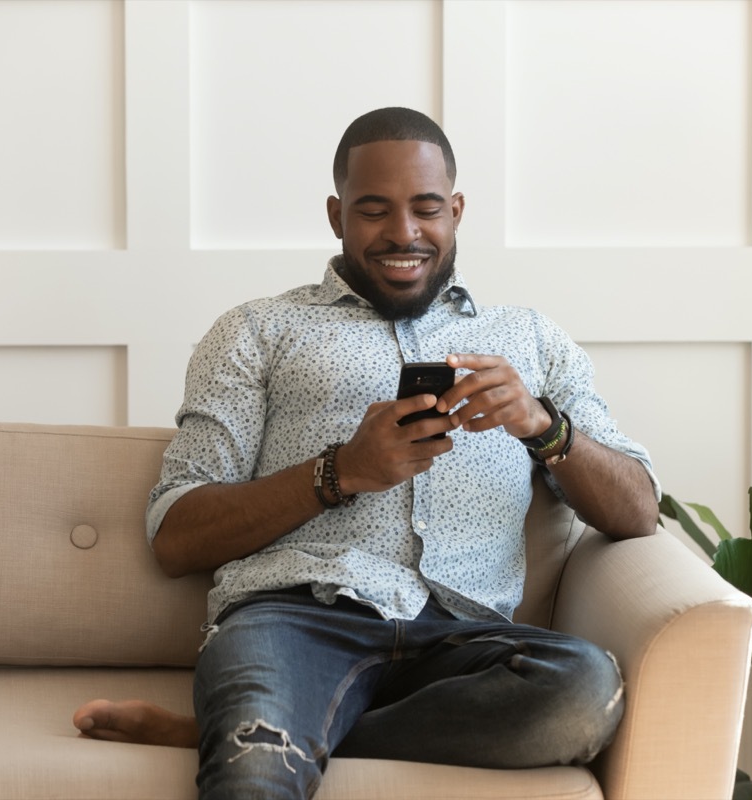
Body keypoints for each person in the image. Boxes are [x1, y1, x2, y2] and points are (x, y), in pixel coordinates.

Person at [73, 107, 661, 799]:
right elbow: (176, 536)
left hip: (462, 640)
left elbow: (638, 511)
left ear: (458, 211)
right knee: (254, 777)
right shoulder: (256, 331)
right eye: (374, 210)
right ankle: (266, 732)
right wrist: (340, 472)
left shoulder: (531, 340)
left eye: (426, 209)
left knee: (585, 689)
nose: (404, 233)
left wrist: (544, 426)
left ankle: (268, 730)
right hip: (295, 619)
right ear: (336, 215)